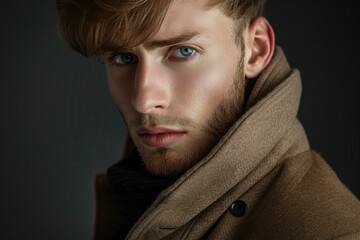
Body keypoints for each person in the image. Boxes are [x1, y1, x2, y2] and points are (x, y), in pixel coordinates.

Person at [56, 0, 360, 239]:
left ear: (256, 50)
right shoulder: (135, 196)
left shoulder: (333, 234)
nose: (144, 100)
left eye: (184, 51)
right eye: (123, 58)